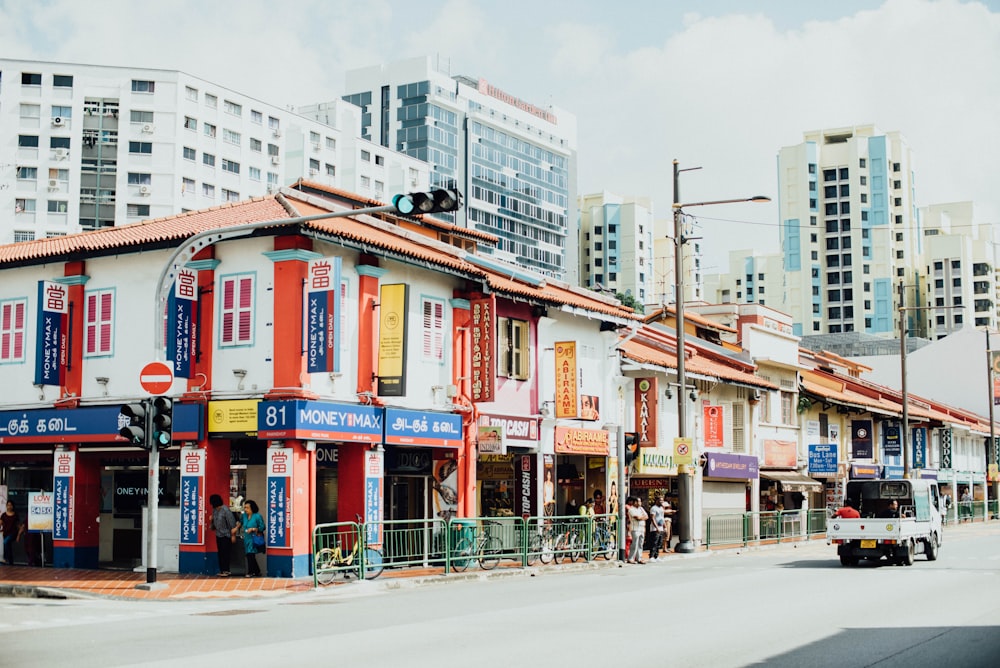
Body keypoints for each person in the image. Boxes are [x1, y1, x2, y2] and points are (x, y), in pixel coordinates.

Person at [209, 494, 238, 576]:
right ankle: (222, 570)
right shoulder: (214, 510)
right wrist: (211, 520)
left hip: (226, 535)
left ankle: (226, 570)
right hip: (218, 534)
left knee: (226, 553)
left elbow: (232, 523)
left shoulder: (225, 510)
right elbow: (214, 524)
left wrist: (233, 535)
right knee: (220, 553)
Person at [240, 499, 265, 577]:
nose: (245, 509)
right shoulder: (244, 516)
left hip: (253, 538)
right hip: (246, 538)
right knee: (249, 554)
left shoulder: (257, 516)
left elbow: (262, 527)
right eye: (245, 508)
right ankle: (257, 571)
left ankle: (251, 571)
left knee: (251, 554)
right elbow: (240, 523)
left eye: (247, 508)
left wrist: (254, 529)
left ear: (252, 508)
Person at [627, 496, 648, 564]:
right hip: (635, 529)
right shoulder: (631, 509)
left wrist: (641, 518)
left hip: (642, 528)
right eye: (638, 501)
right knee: (634, 544)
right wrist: (642, 517)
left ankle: (639, 558)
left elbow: (647, 516)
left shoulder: (641, 509)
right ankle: (630, 558)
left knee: (640, 544)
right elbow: (637, 518)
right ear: (635, 502)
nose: (640, 503)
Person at [648, 495, 665, 561]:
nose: (662, 502)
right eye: (660, 500)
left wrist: (664, 526)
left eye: (662, 500)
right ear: (657, 501)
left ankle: (656, 556)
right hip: (655, 529)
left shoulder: (661, 508)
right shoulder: (653, 508)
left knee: (659, 543)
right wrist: (656, 527)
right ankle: (651, 556)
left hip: (661, 528)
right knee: (654, 543)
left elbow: (662, 518)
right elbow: (652, 518)